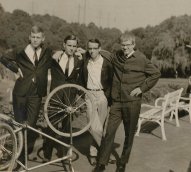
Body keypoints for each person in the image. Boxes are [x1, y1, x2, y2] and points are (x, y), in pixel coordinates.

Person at [93, 33, 161, 172]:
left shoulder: (141, 59)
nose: (125, 48)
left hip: (132, 102)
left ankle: (123, 162)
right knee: (109, 132)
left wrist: (141, 89)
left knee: (129, 134)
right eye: (123, 45)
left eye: (128, 45)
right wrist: (88, 52)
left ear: (133, 45)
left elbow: (156, 74)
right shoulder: (117, 55)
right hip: (117, 102)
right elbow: (106, 54)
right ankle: (101, 163)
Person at [0, 26, 52, 165]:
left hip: (36, 95)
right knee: (18, 127)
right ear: (29, 37)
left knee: (30, 126)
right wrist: (15, 69)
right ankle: (19, 160)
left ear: (43, 38)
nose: (35, 40)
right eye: (33, 37)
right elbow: (3, 58)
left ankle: (22, 157)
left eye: (38, 37)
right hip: (20, 94)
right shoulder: (21, 51)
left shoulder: (47, 52)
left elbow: (57, 64)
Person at [42, 34, 84, 161]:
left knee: (67, 127)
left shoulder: (79, 61)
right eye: (69, 45)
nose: (71, 48)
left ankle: (64, 153)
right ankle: (47, 154)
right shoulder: (55, 58)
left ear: (77, 47)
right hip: (55, 96)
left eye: (74, 46)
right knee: (51, 125)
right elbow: (42, 58)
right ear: (64, 45)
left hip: (70, 98)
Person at [81, 38, 114, 166]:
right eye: (90, 48)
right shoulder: (85, 61)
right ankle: (106, 152)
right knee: (93, 126)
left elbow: (111, 80)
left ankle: (93, 153)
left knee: (100, 126)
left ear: (100, 49)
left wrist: (107, 96)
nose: (92, 51)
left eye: (95, 48)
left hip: (102, 95)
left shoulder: (106, 63)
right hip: (89, 94)